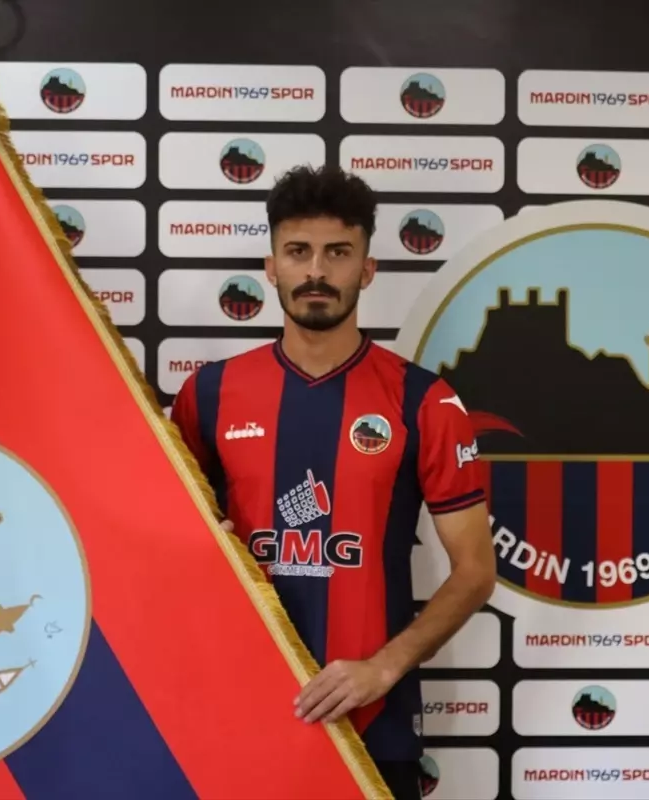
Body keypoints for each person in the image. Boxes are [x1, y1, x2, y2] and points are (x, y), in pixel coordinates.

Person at [170, 164, 496, 800]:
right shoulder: (208, 394)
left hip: (372, 721)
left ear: (367, 270)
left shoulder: (423, 401)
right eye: (298, 252)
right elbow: (169, 540)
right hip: (237, 712)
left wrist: (384, 667)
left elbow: (475, 571)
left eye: (338, 253)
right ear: (271, 267)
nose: (316, 271)